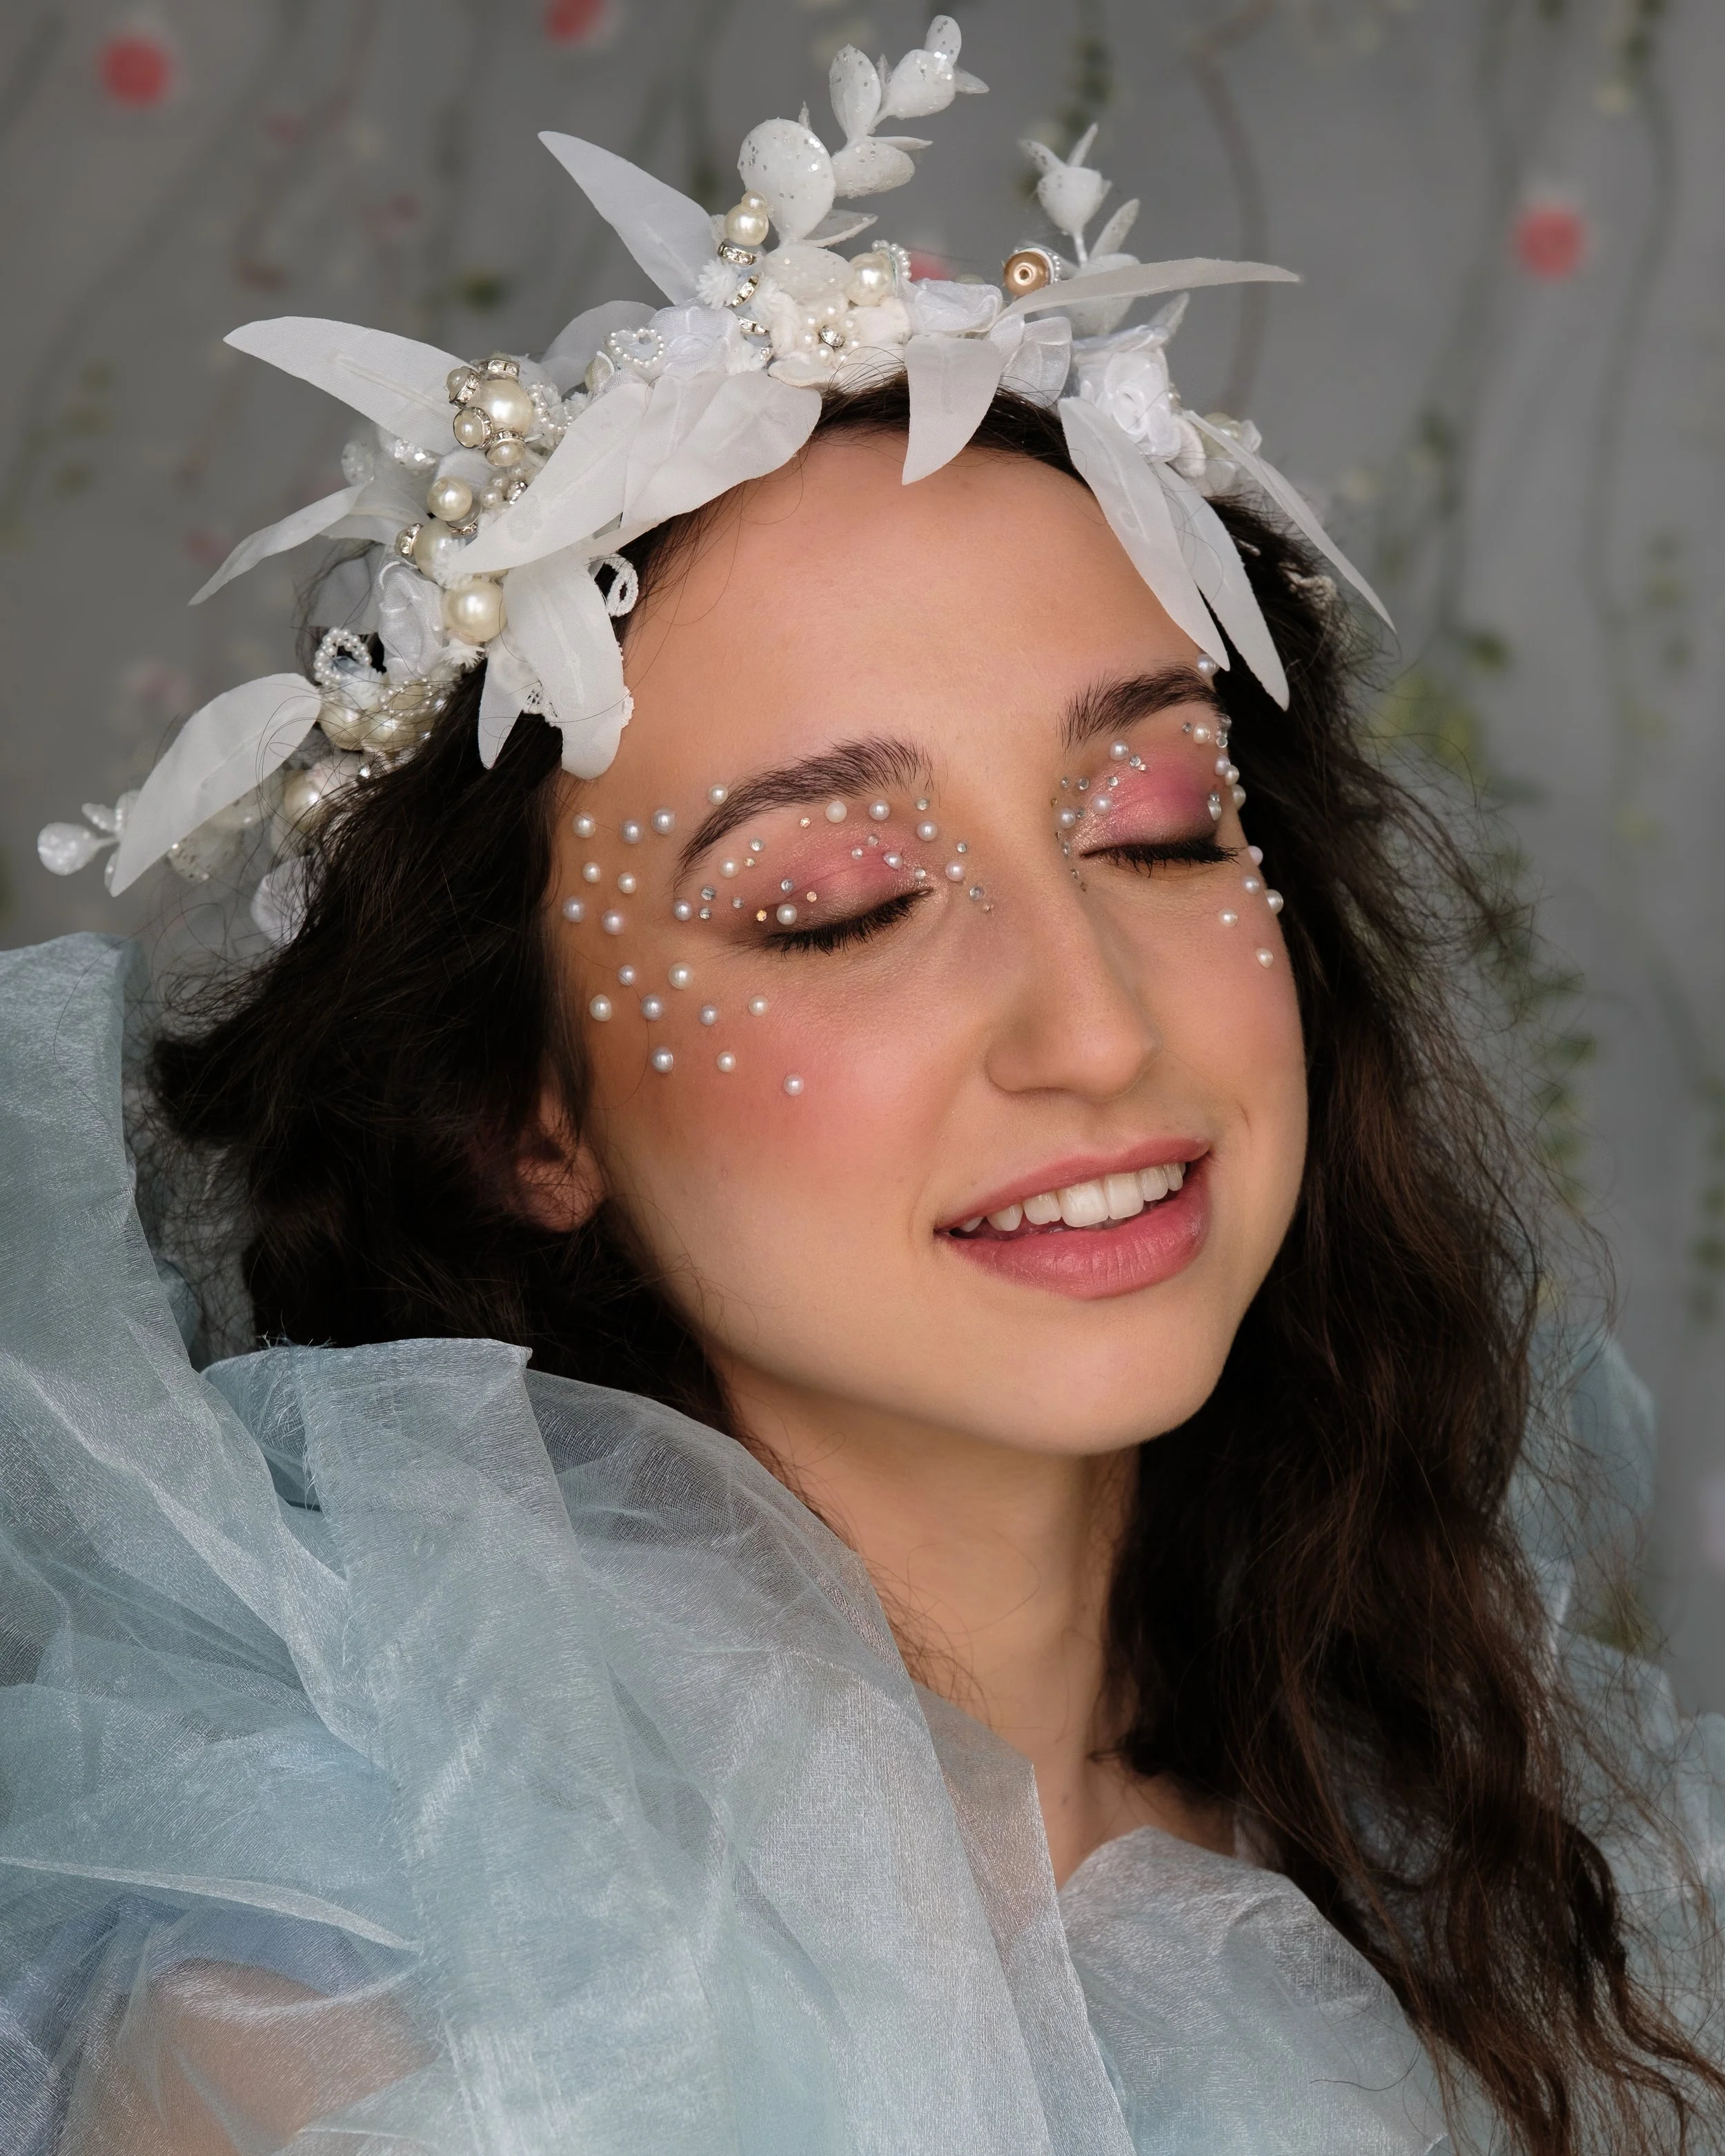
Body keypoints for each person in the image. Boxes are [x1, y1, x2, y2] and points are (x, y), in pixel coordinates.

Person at [6, 20, 1722, 2154]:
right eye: (834, 902)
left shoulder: (1525, 1883)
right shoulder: (349, 2035)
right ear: (519, 1113)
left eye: (1162, 822)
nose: (1094, 1027)